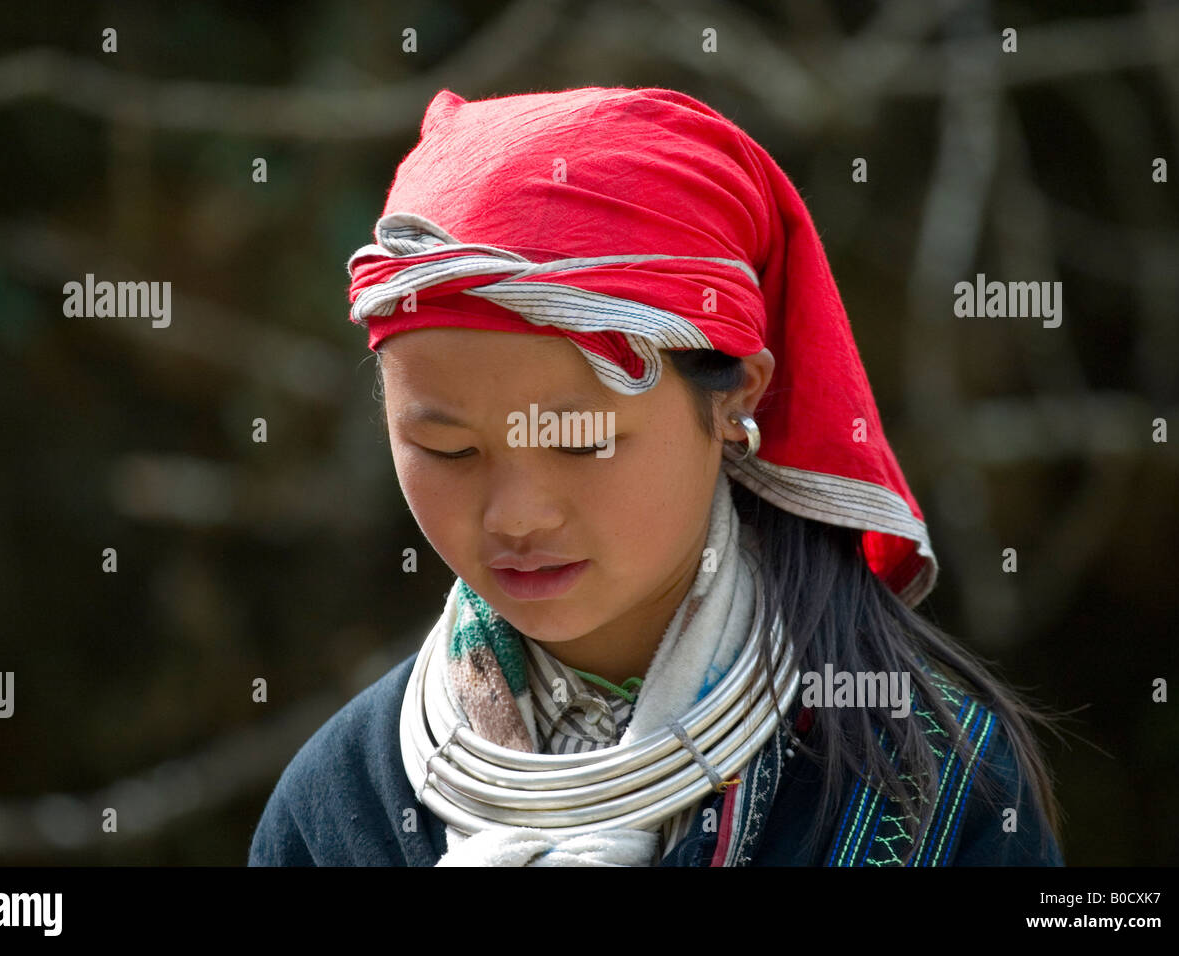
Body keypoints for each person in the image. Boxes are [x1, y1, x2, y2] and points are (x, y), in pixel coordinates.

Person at [248, 86, 1064, 867]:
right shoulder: (339, 811)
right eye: (449, 451)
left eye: (581, 442)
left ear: (736, 398)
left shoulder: (928, 795)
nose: (516, 516)